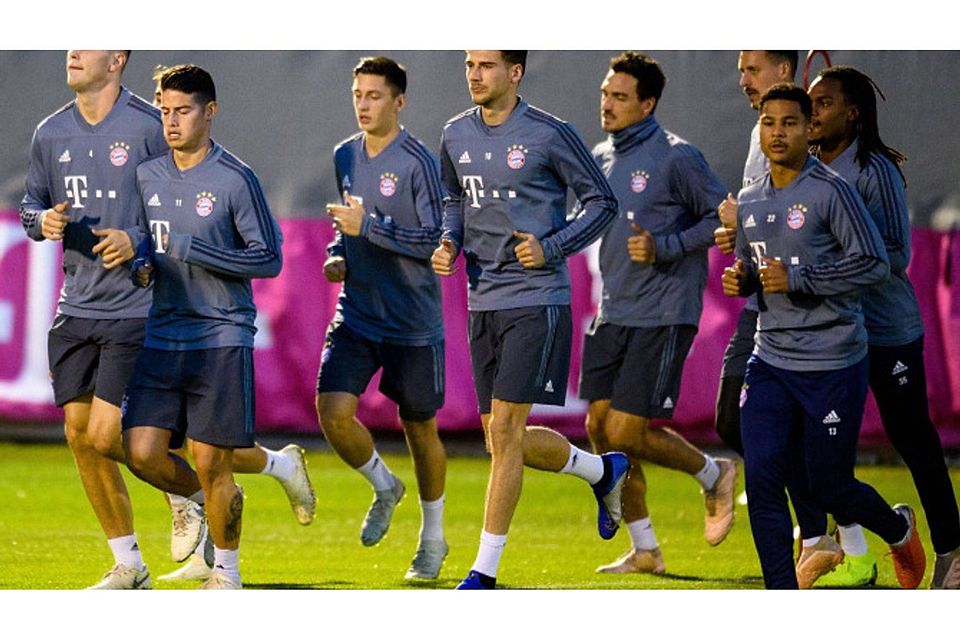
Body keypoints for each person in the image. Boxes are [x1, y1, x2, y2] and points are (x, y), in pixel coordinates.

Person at [432, 50, 629, 590]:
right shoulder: (453, 133)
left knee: (505, 429)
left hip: (536, 297)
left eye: (487, 64)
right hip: (481, 298)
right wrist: (449, 240)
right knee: (500, 438)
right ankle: (601, 470)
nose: (475, 74)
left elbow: (602, 202)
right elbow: (453, 197)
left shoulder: (548, 132)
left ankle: (484, 572)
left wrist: (553, 246)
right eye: (470, 63)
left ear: (515, 73)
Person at [722, 82, 926, 589]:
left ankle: (897, 529)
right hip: (770, 360)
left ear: (808, 125)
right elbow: (752, 263)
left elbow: (877, 264)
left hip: (832, 361)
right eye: (768, 123)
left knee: (830, 485)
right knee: (764, 480)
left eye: (789, 122)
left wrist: (800, 279)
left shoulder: (833, 191)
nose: (777, 132)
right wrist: (743, 277)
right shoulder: (748, 199)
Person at [145, 65, 317, 585]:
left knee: (210, 458)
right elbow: (143, 245)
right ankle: (277, 469)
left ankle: (226, 573)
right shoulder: (146, 175)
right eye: (165, 111)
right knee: (141, 450)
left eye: (184, 111)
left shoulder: (235, 179)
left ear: (210, 112)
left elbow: (268, 259)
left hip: (219, 332)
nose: (172, 122)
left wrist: (197, 249)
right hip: (161, 331)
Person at [579, 51, 736, 576]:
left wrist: (666, 245)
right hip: (614, 309)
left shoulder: (677, 157)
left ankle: (713, 473)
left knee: (625, 431)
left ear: (647, 104)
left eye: (620, 97)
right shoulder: (600, 157)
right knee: (600, 428)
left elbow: (723, 218)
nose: (607, 103)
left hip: (665, 310)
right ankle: (645, 548)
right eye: (605, 93)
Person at [804, 65, 960, 589]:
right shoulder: (800, 168)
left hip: (886, 330)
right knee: (818, 447)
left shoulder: (874, 170)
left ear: (853, 112)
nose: (813, 113)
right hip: (830, 333)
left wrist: (825, 266)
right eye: (810, 103)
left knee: (913, 439)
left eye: (824, 103)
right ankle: (860, 547)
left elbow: (897, 254)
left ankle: (952, 549)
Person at [18, 50, 165, 589]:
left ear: (118, 59)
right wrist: (43, 219)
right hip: (75, 304)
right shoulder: (51, 131)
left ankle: (188, 493)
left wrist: (140, 242)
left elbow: (179, 206)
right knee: (79, 436)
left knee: (106, 434)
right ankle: (130, 564)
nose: (73, 52)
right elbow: (30, 204)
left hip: (137, 303)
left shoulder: (151, 126)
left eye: (88, 40)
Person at [316, 56, 449, 580]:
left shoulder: (418, 162)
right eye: (358, 95)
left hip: (412, 322)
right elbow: (349, 224)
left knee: (419, 429)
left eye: (375, 96)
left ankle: (433, 538)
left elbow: (433, 243)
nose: (364, 105)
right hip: (358, 312)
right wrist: (338, 250)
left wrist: (366, 227)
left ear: (399, 101)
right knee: (332, 411)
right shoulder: (345, 154)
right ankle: (383, 484)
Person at [714, 50, 797, 456]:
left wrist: (741, 217)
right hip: (758, 305)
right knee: (732, 421)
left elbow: (801, 218)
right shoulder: (757, 133)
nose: (744, 80)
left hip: (798, 310)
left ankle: (842, 516)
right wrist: (740, 238)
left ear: (783, 70)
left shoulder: (802, 135)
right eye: (741, 71)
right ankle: (835, 514)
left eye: (752, 70)